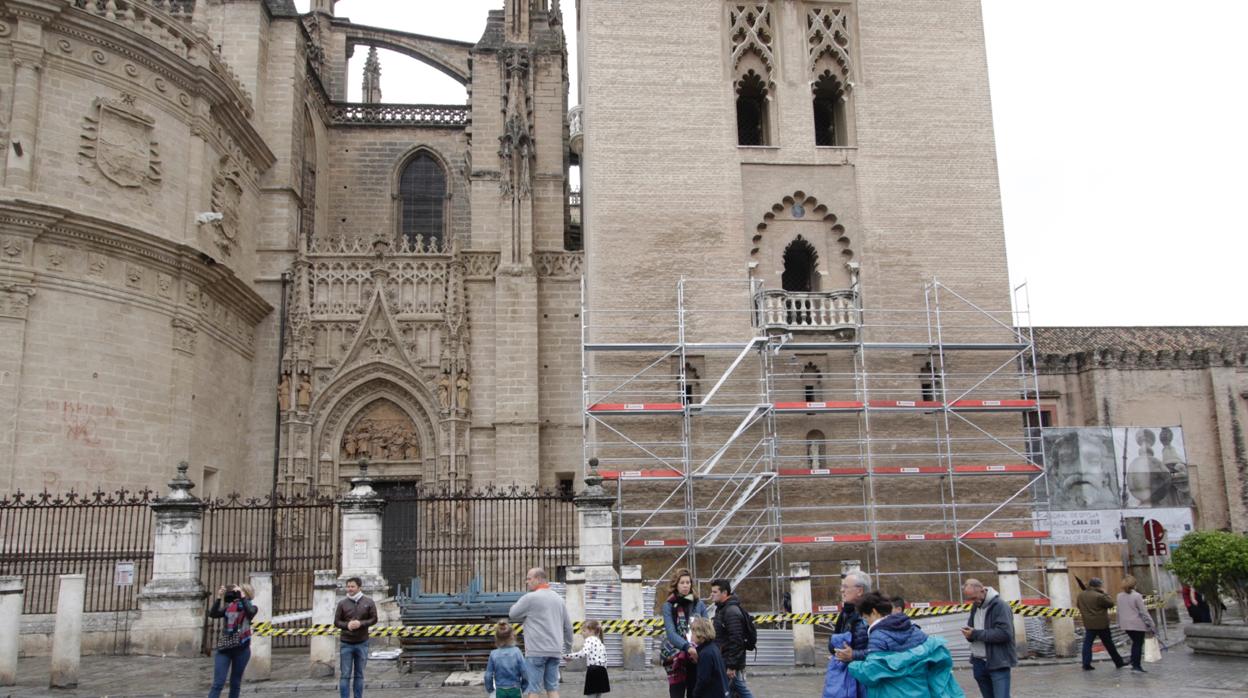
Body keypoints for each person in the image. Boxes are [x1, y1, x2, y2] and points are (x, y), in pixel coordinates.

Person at [845, 592, 964, 698]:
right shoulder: (913, 628)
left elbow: (871, 672)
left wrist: (853, 664)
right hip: (921, 692)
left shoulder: (878, 635)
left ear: (874, 612)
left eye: (866, 617)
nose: (866, 622)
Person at [509, 567, 574, 698]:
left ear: (538, 579)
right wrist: (568, 649)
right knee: (552, 688)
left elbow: (512, 614)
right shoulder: (558, 599)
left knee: (534, 690)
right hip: (555, 651)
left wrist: (524, 616)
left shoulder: (530, 598)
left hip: (536, 651)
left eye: (529, 578)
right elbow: (568, 627)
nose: (526, 581)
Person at [960, 578, 1017, 698]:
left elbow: (1005, 634)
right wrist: (969, 635)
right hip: (979, 662)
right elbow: (973, 628)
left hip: (998, 661)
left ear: (982, 590)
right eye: (970, 599)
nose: (973, 602)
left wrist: (975, 634)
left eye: (974, 598)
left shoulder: (1000, 606)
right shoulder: (975, 606)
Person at [660, 569, 707, 698]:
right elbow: (671, 632)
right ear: (676, 585)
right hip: (677, 656)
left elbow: (706, 629)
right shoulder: (668, 606)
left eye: (688, 582)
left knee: (695, 693)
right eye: (682, 582)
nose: (686, 585)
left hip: (696, 656)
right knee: (677, 694)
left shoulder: (699, 604)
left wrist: (697, 648)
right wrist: (687, 647)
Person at [207, 583, 258, 698]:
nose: (236, 595)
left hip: (242, 649)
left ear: (246, 594)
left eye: (239, 592)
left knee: (235, 683)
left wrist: (243, 597)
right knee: (218, 683)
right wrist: (219, 597)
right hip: (224, 649)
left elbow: (250, 612)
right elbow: (213, 614)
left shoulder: (252, 608)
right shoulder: (228, 608)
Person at [709, 578, 754, 698]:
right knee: (733, 692)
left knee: (740, 690)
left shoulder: (731, 611)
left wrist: (731, 666)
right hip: (725, 660)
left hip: (730, 662)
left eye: (714, 592)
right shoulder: (722, 609)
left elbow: (736, 640)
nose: (711, 595)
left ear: (724, 593)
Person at [335, 576, 378, 698]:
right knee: (345, 674)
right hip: (346, 643)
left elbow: (374, 619)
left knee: (359, 674)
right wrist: (347, 625)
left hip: (362, 642)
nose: (350, 589)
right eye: (348, 586)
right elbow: (337, 622)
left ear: (359, 587)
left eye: (352, 586)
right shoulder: (342, 603)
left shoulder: (368, 602)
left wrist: (361, 623)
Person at [1076, 577, 1125, 670]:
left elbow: (1079, 606)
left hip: (1089, 623)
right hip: (1101, 623)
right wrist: (1104, 593)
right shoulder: (1100, 596)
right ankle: (1118, 662)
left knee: (1087, 644)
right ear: (1098, 586)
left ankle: (1086, 663)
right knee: (1109, 644)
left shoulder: (1081, 595)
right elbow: (1110, 604)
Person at [1116, 575, 1156, 672]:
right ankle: (1136, 665)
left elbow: (1118, 611)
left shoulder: (1119, 596)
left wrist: (1119, 622)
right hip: (1137, 623)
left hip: (1125, 623)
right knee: (1138, 644)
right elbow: (1143, 611)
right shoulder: (1137, 596)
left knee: (1135, 643)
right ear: (1134, 585)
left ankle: (1134, 662)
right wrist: (1151, 624)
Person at [829, 570, 870, 664]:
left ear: (860, 591)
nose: (842, 590)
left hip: (863, 674)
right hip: (850, 671)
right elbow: (834, 643)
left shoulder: (870, 614)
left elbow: (879, 652)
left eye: (845, 587)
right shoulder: (846, 613)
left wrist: (853, 655)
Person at [564, 619, 610, 697]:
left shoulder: (589, 639)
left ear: (592, 631)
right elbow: (605, 659)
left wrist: (568, 656)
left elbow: (583, 653)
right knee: (598, 695)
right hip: (603, 671)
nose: (582, 633)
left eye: (584, 631)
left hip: (593, 671)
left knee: (591, 695)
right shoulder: (600, 641)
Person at [485, 621, 531, 698]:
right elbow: (525, 672)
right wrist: (523, 687)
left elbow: (488, 675)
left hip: (500, 689)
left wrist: (490, 689)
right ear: (512, 636)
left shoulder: (493, 654)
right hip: (515, 688)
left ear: (496, 637)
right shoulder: (517, 652)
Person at [690, 617, 729, 698]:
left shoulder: (705, 653)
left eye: (693, 632)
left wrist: (695, 693)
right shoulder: (713, 648)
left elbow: (703, 679)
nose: (691, 635)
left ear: (701, 635)